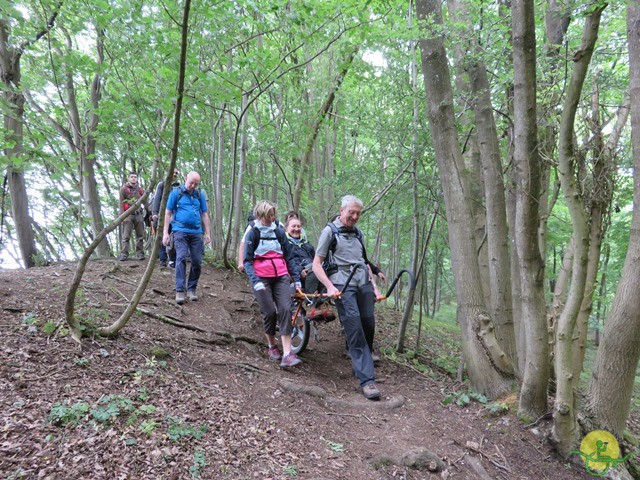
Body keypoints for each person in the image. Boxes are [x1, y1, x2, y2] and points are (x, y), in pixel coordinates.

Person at [312, 195, 381, 400]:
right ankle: (367, 380)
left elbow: (364, 262)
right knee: (354, 325)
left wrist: (374, 287)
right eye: (351, 212)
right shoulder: (329, 232)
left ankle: (362, 364)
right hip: (342, 282)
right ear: (342, 211)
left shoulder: (358, 233)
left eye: (358, 213)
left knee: (368, 323)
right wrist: (330, 286)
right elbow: (317, 264)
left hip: (362, 281)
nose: (354, 216)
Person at [243, 200, 303, 368]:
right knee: (270, 312)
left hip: (281, 275)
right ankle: (271, 346)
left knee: (285, 309)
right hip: (261, 278)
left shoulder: (278, 231)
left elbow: (289, 256)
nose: (272, 218)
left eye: (273, 214)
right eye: (269, 215)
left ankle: (287, 354)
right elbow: (247, 261)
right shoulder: (253, 233)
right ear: (261, 215)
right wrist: (255, 282)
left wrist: (296, 279)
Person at [162, 171, 211, 305]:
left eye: (196, 184)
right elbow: (167, 213)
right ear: (185, 179)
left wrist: (207, 233)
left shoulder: (199, 195)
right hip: (179, 230)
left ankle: (192, 289)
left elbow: (205, 214)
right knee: (181, 257)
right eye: (191, 183)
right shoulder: (175, 193)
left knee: (196, 261)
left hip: (196, 232)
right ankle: (179, 290)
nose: (193, 186)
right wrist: (165, 233)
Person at [284, 216, 334, 321]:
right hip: (293, 276)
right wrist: (299, 271)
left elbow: (317, 260)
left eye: (299, 226)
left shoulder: (307, 245)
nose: (297, 229)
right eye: (293, 226)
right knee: (314, 268)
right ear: (286, 228)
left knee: (324, 267)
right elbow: (283, 262)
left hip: (311, 272)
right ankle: (311, 305)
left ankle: (322, 305)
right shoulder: (283, 244)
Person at [152, 169, 181, 267]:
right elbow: (157, 199)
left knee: (175, 238)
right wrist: (155, 213)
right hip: (163, 215)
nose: (175, 174)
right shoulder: (162, 185)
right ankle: (162, 259)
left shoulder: (179, 187)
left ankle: (173, 260)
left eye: (176, 173)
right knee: (161, 237)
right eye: (173, 172)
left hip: (175, 216)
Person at [119, 172, 150, 261]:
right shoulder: (123, 189)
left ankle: (140, 253)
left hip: (138, 214)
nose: (133, 178)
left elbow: (145, 202)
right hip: (127, 215)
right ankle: (124, 253)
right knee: (126, 236)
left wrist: (151, 212)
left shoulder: (140, 190)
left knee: (140, 235)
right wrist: (122, 216)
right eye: (131, 177)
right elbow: (121, 203)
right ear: (128, 178)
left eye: (135, 177)